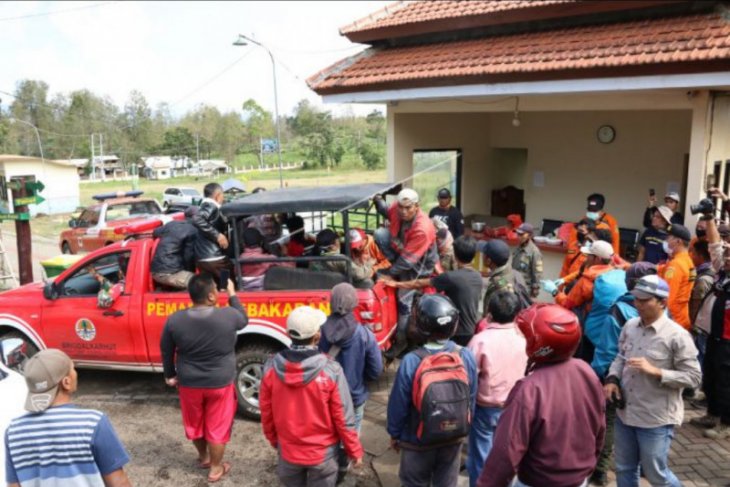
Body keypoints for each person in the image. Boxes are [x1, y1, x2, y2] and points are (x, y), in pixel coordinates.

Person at [477, 304, 605, 487]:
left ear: (540, 344)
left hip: (538, 480)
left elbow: (506, 452)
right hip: (578, 480)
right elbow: (599, 429)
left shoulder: (529, 389)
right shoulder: (587, 372)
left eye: (526, 336)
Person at [604, 275, 701, 487]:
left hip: (655, 419)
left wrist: (657, 372)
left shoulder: (677, 335)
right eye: (636, 299)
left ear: (662, 302)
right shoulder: (630, 326)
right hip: (626, 414)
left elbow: (694, 377)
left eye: (644, 300)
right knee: (624, 468)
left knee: (656, 475)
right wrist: (612, 378)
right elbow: (620, 358)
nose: (637, 304)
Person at [260, 306, 364, 487]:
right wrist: (354, 450)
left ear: (288, 332)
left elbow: (266, 411)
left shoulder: (271, 368)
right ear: (317, 336)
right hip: (322, 455)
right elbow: (343, 418)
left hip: (288, 452)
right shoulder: (331, 370)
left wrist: (274, 440)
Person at [160, 274, 248, 483]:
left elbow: (166, 349)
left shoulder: (175, 320)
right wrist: (233, 294)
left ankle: (204, 457)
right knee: (217, 426)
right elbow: (243, 319)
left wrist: (169, 374)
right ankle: (216, 469)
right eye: (216, 290)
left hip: (189, 383)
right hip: (220, 383)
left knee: (195, 423)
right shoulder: (228, 316)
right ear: (210, 296)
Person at [4, 349, 133, 487]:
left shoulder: (13, 432)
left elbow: (13, 485)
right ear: (66, 382)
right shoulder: (93, 423)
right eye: (73, 368)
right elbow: (118, 482)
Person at [387, 294, 477, 487]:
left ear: (420, 326)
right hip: (453, 438)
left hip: (416, 440)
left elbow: (399, 404)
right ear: (454, 325)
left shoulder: (412, 360)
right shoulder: (466, 356)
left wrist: (394, 434)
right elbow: (472, 397)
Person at [587, 262, 656, 486]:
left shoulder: (619, 310)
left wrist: (602, 375)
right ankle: (647, 467)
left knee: (608, 422)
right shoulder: (662, 310)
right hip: (649, 379)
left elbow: (607, 350)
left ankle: (600, 470)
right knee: (646, 425)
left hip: (617, 379)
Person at [318, 283, 383, 482]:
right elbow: (376, 369)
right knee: (351, 432)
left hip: (326, 397)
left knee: (329, 431)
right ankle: (344, 465)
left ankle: (328, 466)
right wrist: (363, 381)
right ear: (355, 304)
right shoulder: (364, 335)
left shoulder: (319, 332)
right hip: (354, 396)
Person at [466, 291, 528, 487]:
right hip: (514, 407)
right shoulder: (524, 339)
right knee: (506, 456)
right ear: (516, 314)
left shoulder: (480, 340)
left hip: (485, 408)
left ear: (489, 313)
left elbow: (468, 378)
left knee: (480, 458)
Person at [374, 189, 439, 359]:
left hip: (418, 266)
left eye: (408, 208)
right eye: (401, 207)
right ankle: (395, 271)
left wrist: (389, 273)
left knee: (404, 301)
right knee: (380, 234)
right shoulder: (397, 209)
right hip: (404, 251)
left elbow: (408, 262)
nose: (403, 211)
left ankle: (401, 341)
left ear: (416, 207)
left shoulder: (422, 229)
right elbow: (387, 211)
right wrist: (377, 200)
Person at [383, 236, 483, 346]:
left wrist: (396, 284)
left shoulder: (450, 277)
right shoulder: (478, 277)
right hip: (471, 330)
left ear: (455, 255)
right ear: (474, 256)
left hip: (454, 331)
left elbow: (419, 283)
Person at [690, 211, 730, 438]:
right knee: (711, 374)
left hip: (729, 338)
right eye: (727, 255)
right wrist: (709, 219)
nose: (727, 258)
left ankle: (726, 423)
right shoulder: (720, 271)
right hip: (714, 332)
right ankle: (713, 413)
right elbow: (715, 245)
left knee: (726, 380)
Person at [658, 224, 696, 330]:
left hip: (672, 321)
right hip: (681, 318)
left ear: (678, 241)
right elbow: (660, 268)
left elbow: (667, 297)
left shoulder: (676, 265)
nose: (666, 241)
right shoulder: (687, 261)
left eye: (668, 238)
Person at [151, 206, 198, 290]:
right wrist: (191, 271)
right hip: (169, 272)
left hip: (158, 270)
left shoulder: (172, 224)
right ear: (196, 217)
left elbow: (155, 232)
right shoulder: (193, 230)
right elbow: (188, 257)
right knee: (199, 283)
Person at [481, 239, 529, 316]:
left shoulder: (498, 284)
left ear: (488, 261)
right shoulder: (516, 274)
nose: (482, 256)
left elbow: (492, 314)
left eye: (483, 254)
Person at [193, 182, 230, 280]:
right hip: (215, 258)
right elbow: (197, 219)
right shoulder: (210, 206)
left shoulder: (206, 206)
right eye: (223, 195)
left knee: (214, 285)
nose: (223, 198)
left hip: (203, 258)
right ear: (218, 196)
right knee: (228, 282)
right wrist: (218, 235)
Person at [689, 240, 715, 369]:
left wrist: (693, 326)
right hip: (705, 327)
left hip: (700, 328)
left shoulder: (703, 279)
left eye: (692, 253)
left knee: (698, 359)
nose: (690, 255)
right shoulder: (712, 271)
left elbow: (696, 305)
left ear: (700, 256)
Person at [511, 223, 543, 298]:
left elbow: (537, 273)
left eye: (521, 234)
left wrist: (535, 288)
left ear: (529, 235)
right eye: (518, 234)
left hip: (525, 289)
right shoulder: (518, 248)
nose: (518, 236)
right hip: (514, 285)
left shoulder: (534, 252)